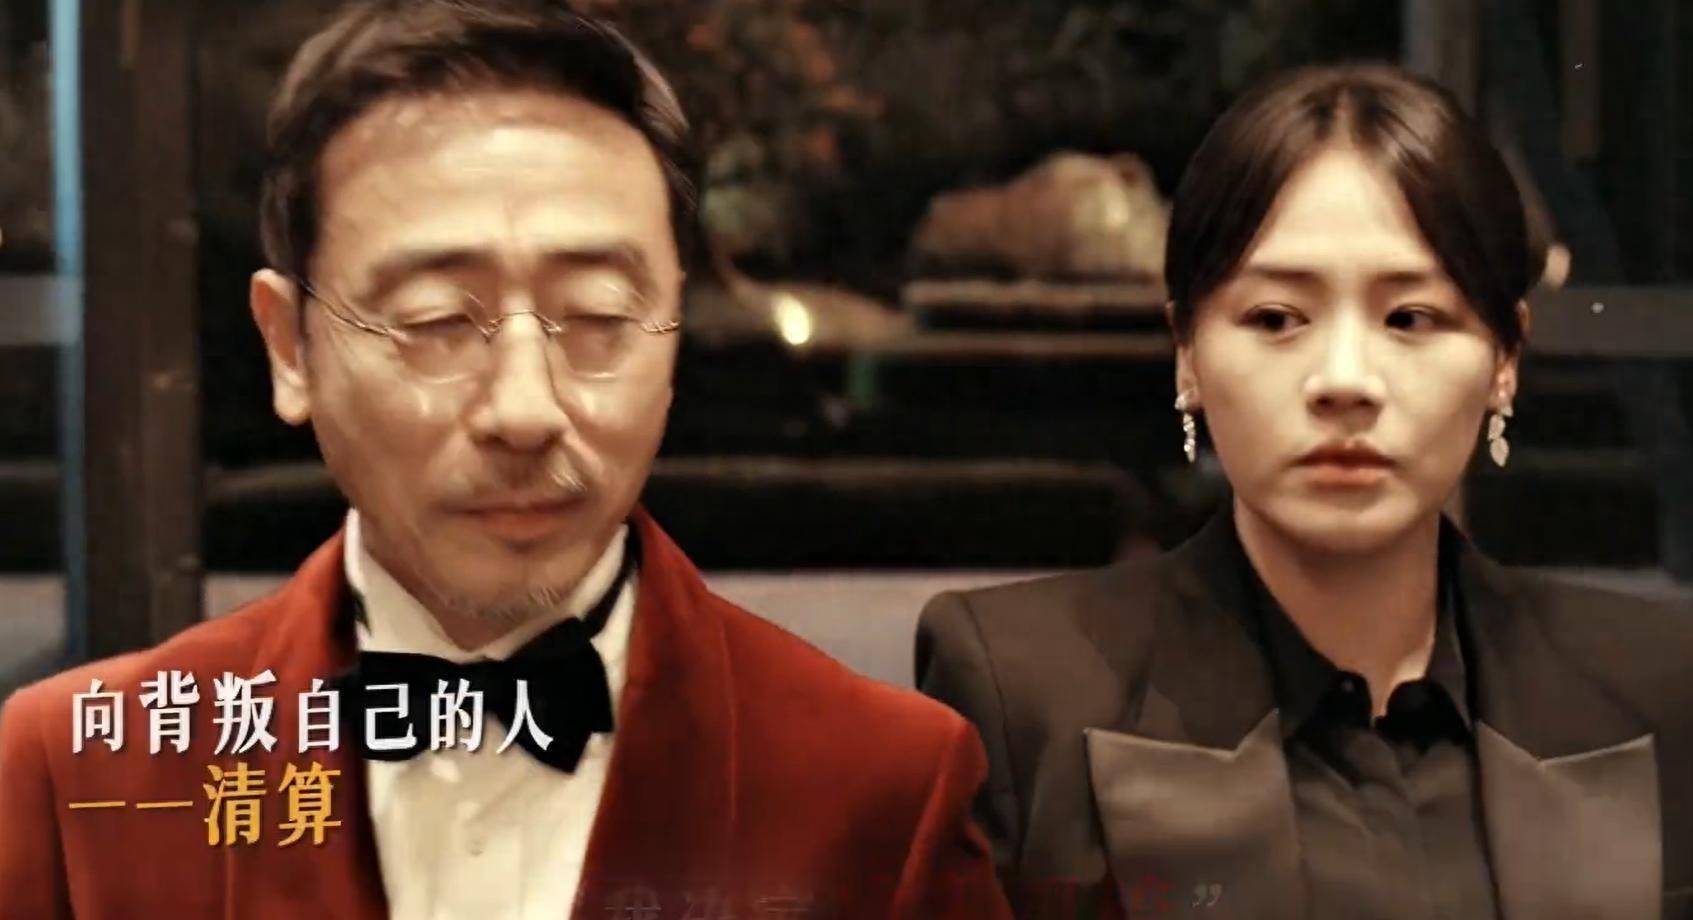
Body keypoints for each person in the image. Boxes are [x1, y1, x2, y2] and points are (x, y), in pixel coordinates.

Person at [0, 3, 1008, 918]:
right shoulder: (76, 775)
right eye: (436, 320)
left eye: (600, 317)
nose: (525, 410)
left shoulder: (884, 785)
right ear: (290, 347)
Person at [918, 64, 1693, 919]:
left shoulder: (1662, 683)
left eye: (1410, 318)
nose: (1345, 380)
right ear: (1187, 351)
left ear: (1504, 360)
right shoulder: (1025, 691)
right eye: (1276, 319)